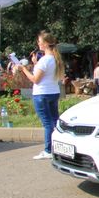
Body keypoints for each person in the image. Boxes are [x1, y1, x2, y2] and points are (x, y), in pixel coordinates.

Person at [16, 31, 64, 160]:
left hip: (42, 93)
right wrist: (35, 63)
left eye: (40, 42)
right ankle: (58, 147)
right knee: (55, 120)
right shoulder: (55, 59)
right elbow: (47, 74)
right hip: (53, 92)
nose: (38, 44)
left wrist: (23, 69)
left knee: (47, 123)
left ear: (46, 44)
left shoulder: (45, 60)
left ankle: (48, 150)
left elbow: (35, 79)